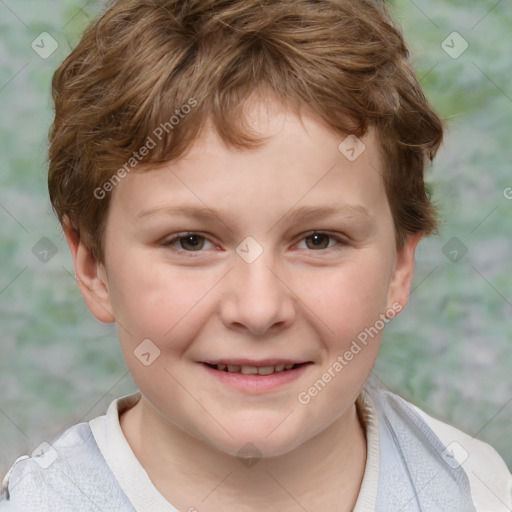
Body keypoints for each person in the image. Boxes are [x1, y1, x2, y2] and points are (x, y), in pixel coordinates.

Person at [1, 0, 510, 510]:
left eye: (318, 240)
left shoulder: (477, 489)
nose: (259, 309)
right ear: (93, 268)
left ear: (400, 267)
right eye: (191, 241)